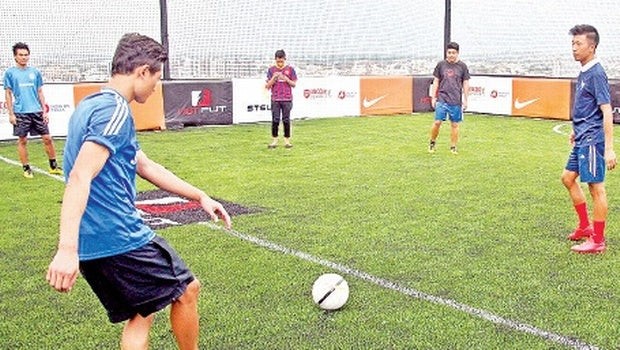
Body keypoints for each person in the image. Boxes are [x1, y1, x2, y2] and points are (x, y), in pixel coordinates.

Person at [46, 33, 231, 349]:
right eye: (156, 77)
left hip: (93, 245)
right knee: (187, 290)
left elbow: (144, 166)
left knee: (142, 313)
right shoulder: (114, 111)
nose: (157, 86)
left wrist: (200, 195)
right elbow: (79, 176)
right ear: (142, 71)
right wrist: (66, 249)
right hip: (117, 237)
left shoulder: (90, 106)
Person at [561, 24, 616, 254]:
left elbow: (606, 110)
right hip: (582, 136)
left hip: (593, 139)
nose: (574, 48)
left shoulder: (596, 73)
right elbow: (587, 106)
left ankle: (598, 240)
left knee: (596, 188)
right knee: (567, 178)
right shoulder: (584, 70)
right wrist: (576, 128)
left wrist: (610, 148)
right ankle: (585, 227)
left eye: (578, 44)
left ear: (591, 47)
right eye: (573, 43)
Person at [3, 42, 63, 178]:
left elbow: (40, 92)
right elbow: (8, 94)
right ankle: (26, 168)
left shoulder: (35, 72)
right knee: (23, 140)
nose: (24, 57)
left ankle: (53, 166)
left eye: (26, 55)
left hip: (36, 111)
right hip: (20, 112)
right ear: (15, 56)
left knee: (47, 138)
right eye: (21, 55)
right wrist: (11, 114)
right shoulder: (10, 73)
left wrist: (44, 111)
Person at [428, 41, 470, 155]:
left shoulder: (462, 66)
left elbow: (465, 83)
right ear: (446, 53)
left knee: (455, 124)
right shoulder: (441, 65)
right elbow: (436, 81)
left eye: (453, 53)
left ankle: (453, 147)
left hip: (455, 100)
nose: (451, 55)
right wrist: (433, 97)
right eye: (449, 52)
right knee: (437, 122)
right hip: (442, 98)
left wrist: (466, 99)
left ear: (457, 54)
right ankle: (432, 143)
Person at [265, 49, 297, 149]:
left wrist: (286, 79)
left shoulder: (290, 69)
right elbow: (267, 86)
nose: (279, 63)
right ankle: (274, 141)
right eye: (278, 61)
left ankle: (287, 141)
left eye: (281, 61)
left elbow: (294, 84)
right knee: (275, 120)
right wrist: (273, 78)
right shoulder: (271, 70)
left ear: (285, 59)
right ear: (275, 60)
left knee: (286, 120)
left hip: (287, 99)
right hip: (275, 99)